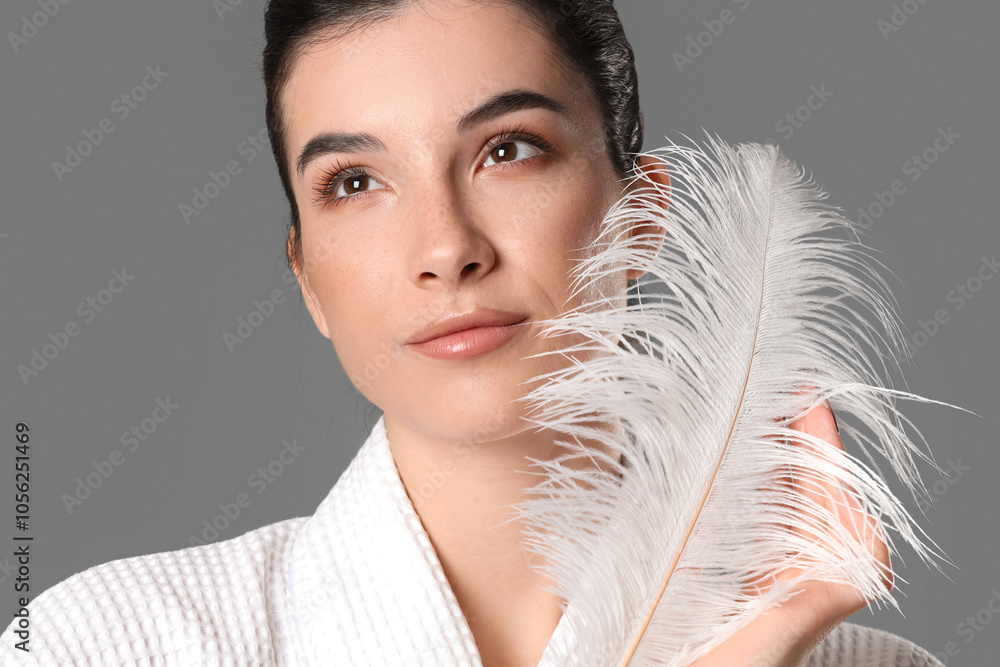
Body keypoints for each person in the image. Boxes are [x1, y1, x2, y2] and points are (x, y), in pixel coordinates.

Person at [0, 1, 944, 665]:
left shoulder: (862, 666)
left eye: (507, 150)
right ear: (308, 278)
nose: (446, 248)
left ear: (642, 217)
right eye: (354, 183)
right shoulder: (102, 646)